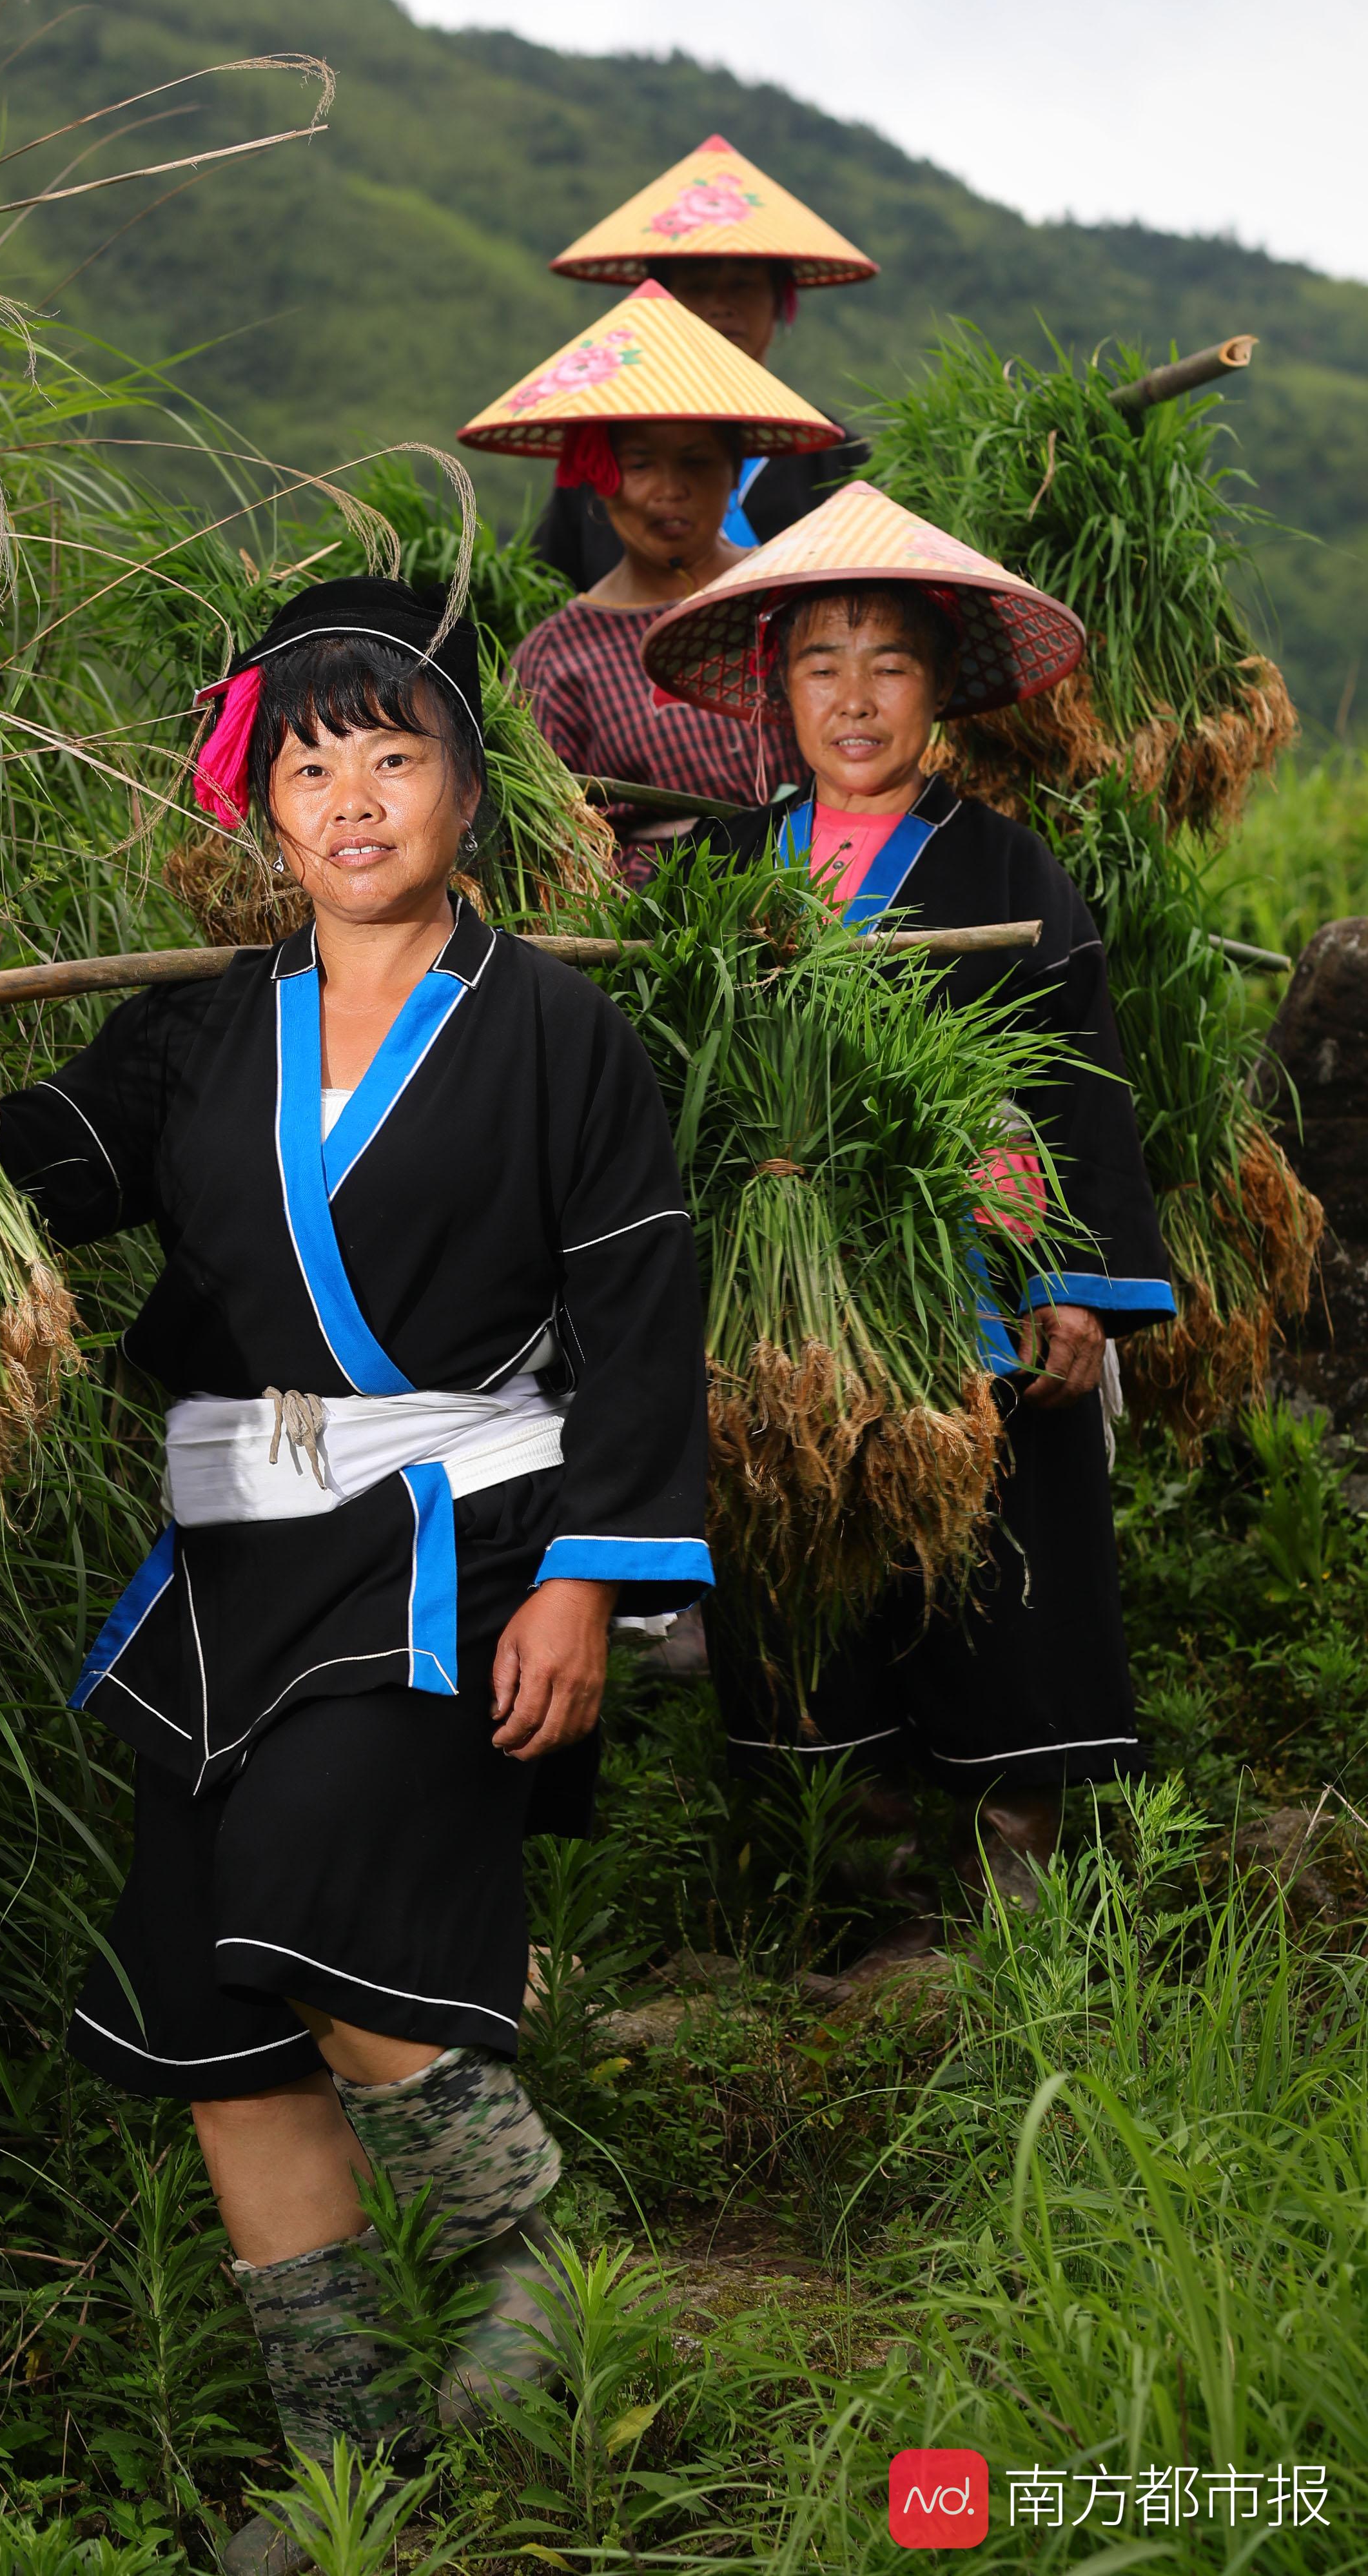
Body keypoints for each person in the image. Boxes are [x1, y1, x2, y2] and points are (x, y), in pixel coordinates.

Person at [0, 574, 712, 2562]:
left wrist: (588, 1582)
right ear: (262, 806)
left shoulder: (554, 1031)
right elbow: (44, 1168)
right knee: (214, 2018)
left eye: (395, 756)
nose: (354, 801)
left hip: (452, 1538)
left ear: (472, 791)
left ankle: (526, 2252)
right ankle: (352, 2462)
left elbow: (640, 1313)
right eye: (310, 769)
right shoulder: (199, 1030)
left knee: (305, 1889)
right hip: (233, 1559)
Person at [640, 483, 1176, 1934]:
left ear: (939, 691)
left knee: (1002, 1570)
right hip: (779, 1304)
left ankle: (1019, 1867)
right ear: (779, 689)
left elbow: (1080, 1085)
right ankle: (849, 1893)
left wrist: (1075, 1283)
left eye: (890, 665)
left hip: (972, 1294)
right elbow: (665, 1080)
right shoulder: (719, 872)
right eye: (823, 664)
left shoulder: (1008, 867)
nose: (857, 698)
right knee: (808, 1567)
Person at [458, 278, 841, 883]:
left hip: (830, 884)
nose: (671, 489)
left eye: (696, 461)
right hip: (655, 916)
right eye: (640, 464)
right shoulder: (558, 656)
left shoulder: (792, 597)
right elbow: (547, 848)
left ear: (732, 470)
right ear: (601, 475)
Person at [537, 135, 876, 591]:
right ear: (659, 301)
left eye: (743, 285)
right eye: (697, 287)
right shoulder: (604, 449)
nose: (720, 305)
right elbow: (545, 591)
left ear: (780, 302)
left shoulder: (833, 454)